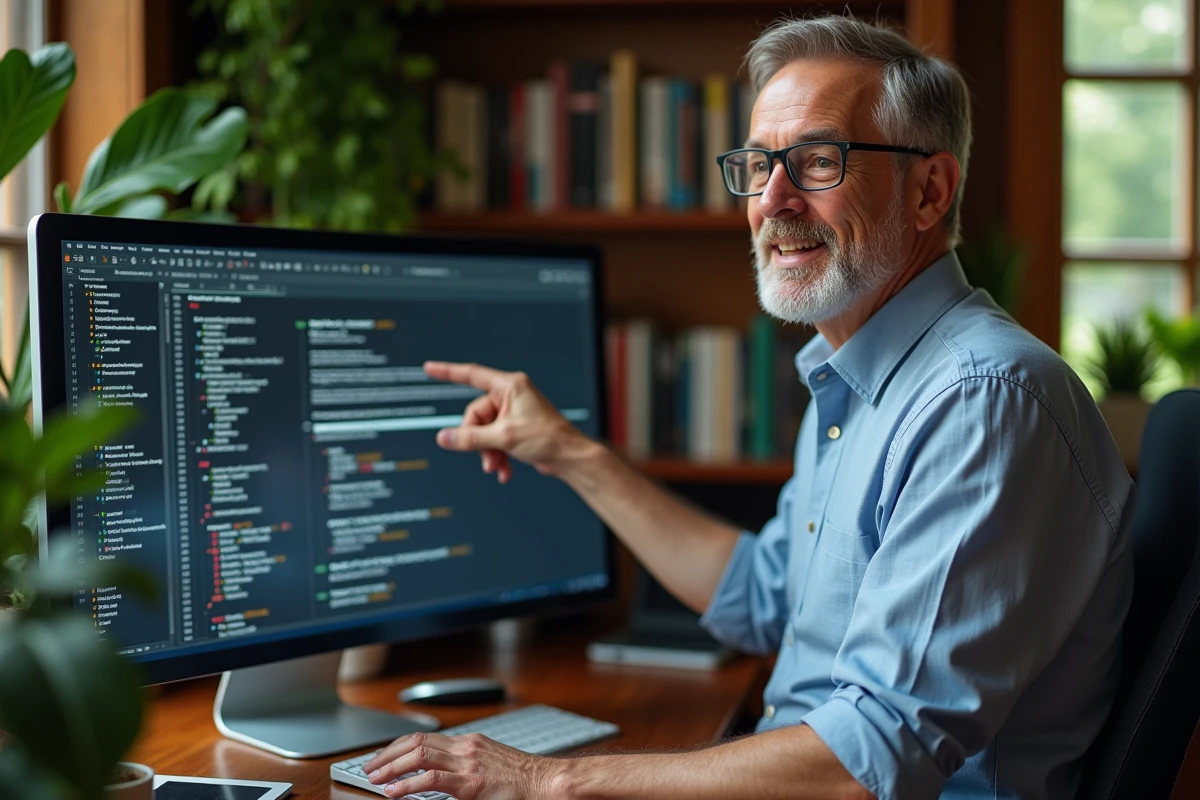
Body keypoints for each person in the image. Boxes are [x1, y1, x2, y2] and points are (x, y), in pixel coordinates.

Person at [365, 14, 1133, 800]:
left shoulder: (978, 401)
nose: (773, 200)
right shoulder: (862, 372)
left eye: (816, 162)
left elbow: (870, 757)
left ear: (930, 189)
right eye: (760, 164)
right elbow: (768, 598)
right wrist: (569, 452)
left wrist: (547, 781)